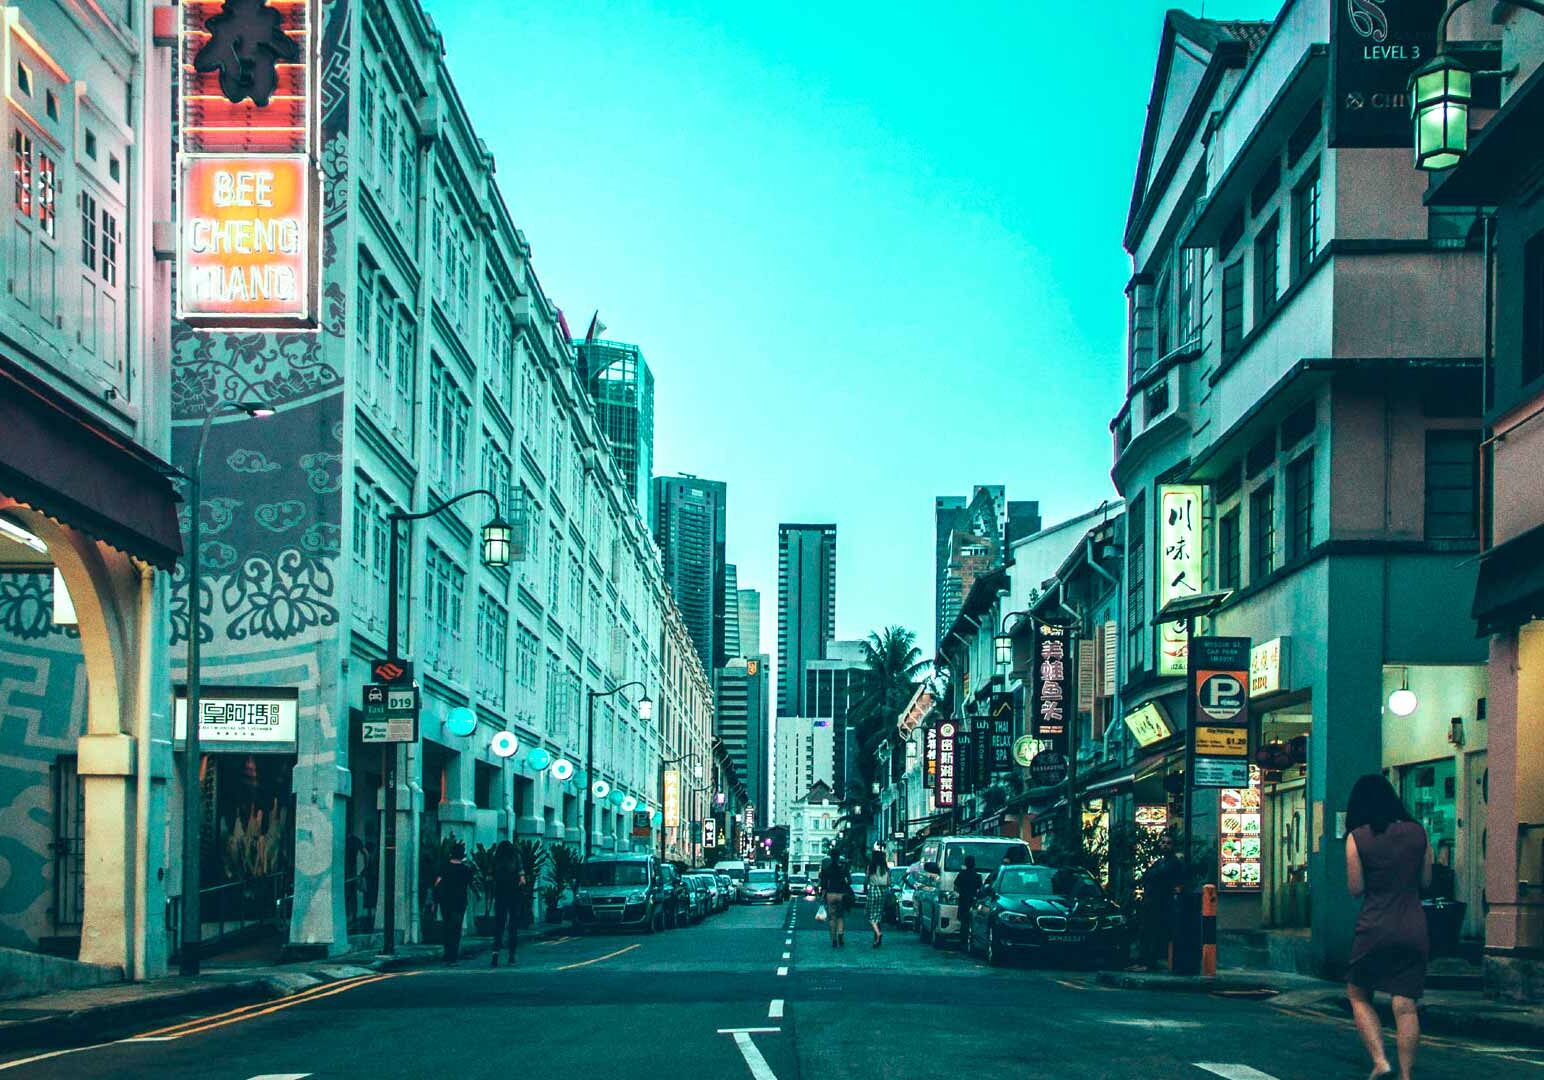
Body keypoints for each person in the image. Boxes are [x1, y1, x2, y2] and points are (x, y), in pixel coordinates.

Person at [1345, 774, 1432, 1080]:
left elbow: (1355, 888)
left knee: (1358, 993)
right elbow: (1426, 881)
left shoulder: (1357, 837)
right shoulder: (1419, 833)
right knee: (1405, 1004)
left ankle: (1381, 1061)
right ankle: (1406, 1076)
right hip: (1413, 924)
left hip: (1375, 925)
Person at [433, 841, 475, 964]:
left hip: (445, 900)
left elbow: (437, 883)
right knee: (456, 928)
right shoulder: (466, 870)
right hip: (460, 902)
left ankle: (447, 953)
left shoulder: (444, 868)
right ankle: (453, 955)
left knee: (447, 926)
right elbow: (470, 883)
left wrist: (435, 900)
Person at [490, 841, 526, 968]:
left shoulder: (496, 859)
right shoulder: (516, 857)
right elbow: (522, 879)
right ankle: (511, 955)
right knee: (513, 926)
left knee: (499, 925)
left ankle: (495, 953)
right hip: (514, 894)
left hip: (500, 894)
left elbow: (491, 876)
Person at [818, 855, 851, 948]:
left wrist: (822, 896)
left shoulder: (827, 869)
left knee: (832, 918)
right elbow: (850, 881)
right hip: (841, 894)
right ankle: (840, 934)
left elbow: (823, 884)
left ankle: (834, 940)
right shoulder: (843, 869)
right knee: (840, 916)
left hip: (830, 894)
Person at [954, 855, 984, 948]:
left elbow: (956, 886)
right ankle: (971, 941)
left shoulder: (961, 874)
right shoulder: (977, 876)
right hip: (973, 900)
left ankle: (962, 941)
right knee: (972, 921)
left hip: (963, 900)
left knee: (964, 922)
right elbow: (980, 889)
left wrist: (961, 893)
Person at [866, 849, 891, 948]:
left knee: (871, 915)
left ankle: (878, 933)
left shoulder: (871, 867)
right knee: (878, 914)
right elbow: (889, 882)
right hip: (883, 891)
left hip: (873, 890)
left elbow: (866, 879)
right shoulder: (885, 868)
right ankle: (877, 939)